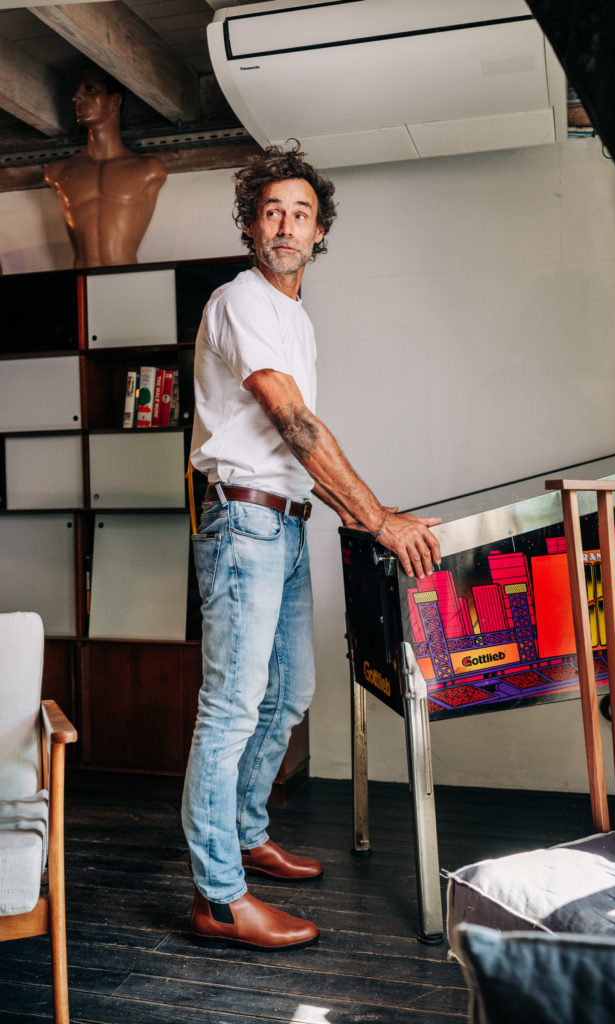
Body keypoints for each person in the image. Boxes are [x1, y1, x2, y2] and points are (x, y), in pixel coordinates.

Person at [182, 142, 442, 951]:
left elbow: (293, 451)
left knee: (287, 693)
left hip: (284, 523)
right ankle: (218, 897)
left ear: (319, 231)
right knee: (230, 709)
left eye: (301, 214)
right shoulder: (242, 300)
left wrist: (368, 511)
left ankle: (246, 834)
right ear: (250, 226)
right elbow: (292, 422)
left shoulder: (290, 315)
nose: (286, 226)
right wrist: (376, 520)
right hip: (243, 526)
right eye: (272, 212)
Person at [44, 65, 166, 268]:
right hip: (80, 282)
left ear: (115, 101)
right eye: (76, 91)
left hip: (127, 280)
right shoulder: (59, 172)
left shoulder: (149, 169)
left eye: (89, 89)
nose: (76, 97)